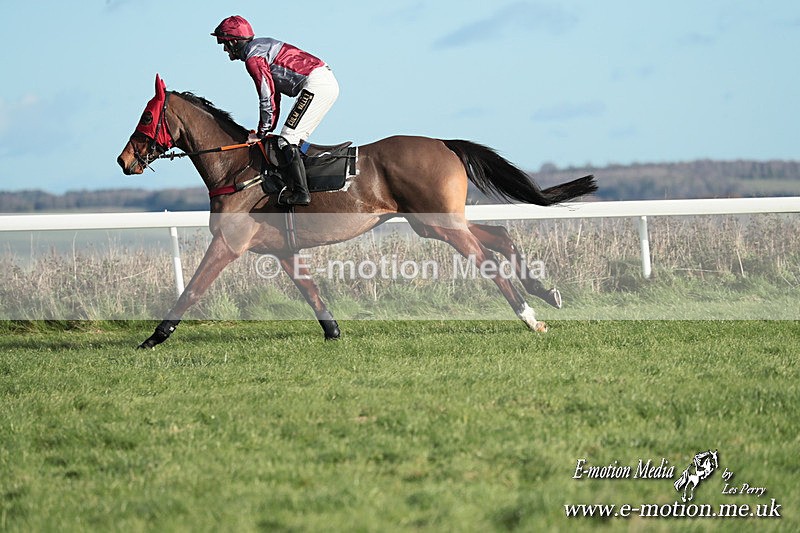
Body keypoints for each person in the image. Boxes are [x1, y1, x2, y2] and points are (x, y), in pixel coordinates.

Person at [212, 15, 340, 206]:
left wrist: (262, 132)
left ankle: (301, 193)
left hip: (316, 84)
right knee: (291, 138)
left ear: (235, 42)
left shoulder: (253, 58)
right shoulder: (260, 48)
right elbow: (275, 98)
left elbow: (267, 96)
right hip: (322, 82)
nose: (224, 49)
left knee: (287, 138)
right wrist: (266, 129)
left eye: (224, 43)